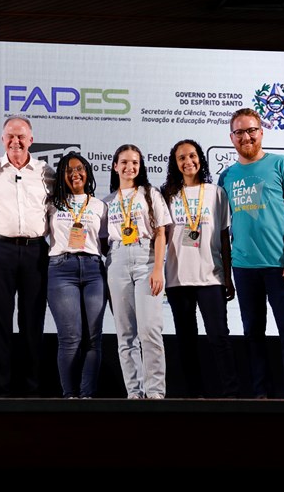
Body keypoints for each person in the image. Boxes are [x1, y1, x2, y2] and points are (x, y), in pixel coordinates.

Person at [218, 107, 284, 399]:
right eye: (239, 132)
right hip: (244, 267)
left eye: (251, 130)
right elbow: (223, 228)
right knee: (253, 335)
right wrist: (227, 270)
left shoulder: (281, 164)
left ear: (261, 132)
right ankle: (262, 395)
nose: (246, 136)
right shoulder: (226, 176)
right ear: (231, 137)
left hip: (281, 264)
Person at [0, 115, 55, 397]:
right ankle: (1, 391)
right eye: (10, 136)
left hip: (35, 252)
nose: (15, 141)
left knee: (33, 323)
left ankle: (31, 390)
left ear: (31, 139)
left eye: (21, 136)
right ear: (2, 139)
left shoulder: (46, 173)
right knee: (0, 321)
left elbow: (59, 212)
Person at [161, 139, 240, 398]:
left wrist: (227, 276)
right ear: (175, 164)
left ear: (200, 159)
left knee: (219, 338)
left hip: (211, 277)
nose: (188, 161)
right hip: (178, 279)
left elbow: (224, 237)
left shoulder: (216, 192)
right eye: (181, 158)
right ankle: (194, 395)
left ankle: (230, 393)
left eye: (192, 156)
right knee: (186, 341)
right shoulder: (167, 195)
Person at [104, 144, 172, 399]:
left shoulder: (150, 194)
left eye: (134, 162)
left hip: (146, 258)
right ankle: (134, 392)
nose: (129, 167)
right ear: (115, 166)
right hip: (117, 258)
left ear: (140, 166)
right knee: (125, 333)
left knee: (150, 330)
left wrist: (158, 268)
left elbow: (161, 233)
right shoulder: (108, 201)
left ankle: (155, 393)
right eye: (124, 162)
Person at [46, 151, 108, 399]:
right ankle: (69, 396)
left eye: (79, 168)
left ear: (88, 172)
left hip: (94, 269)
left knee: (93, 338)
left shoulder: (99, 205)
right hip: (61, 270)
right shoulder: (51, 203)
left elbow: (105, 242)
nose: (75, 174)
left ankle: (87, 396)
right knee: (70, 337)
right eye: (69, 170)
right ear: (62, 176)